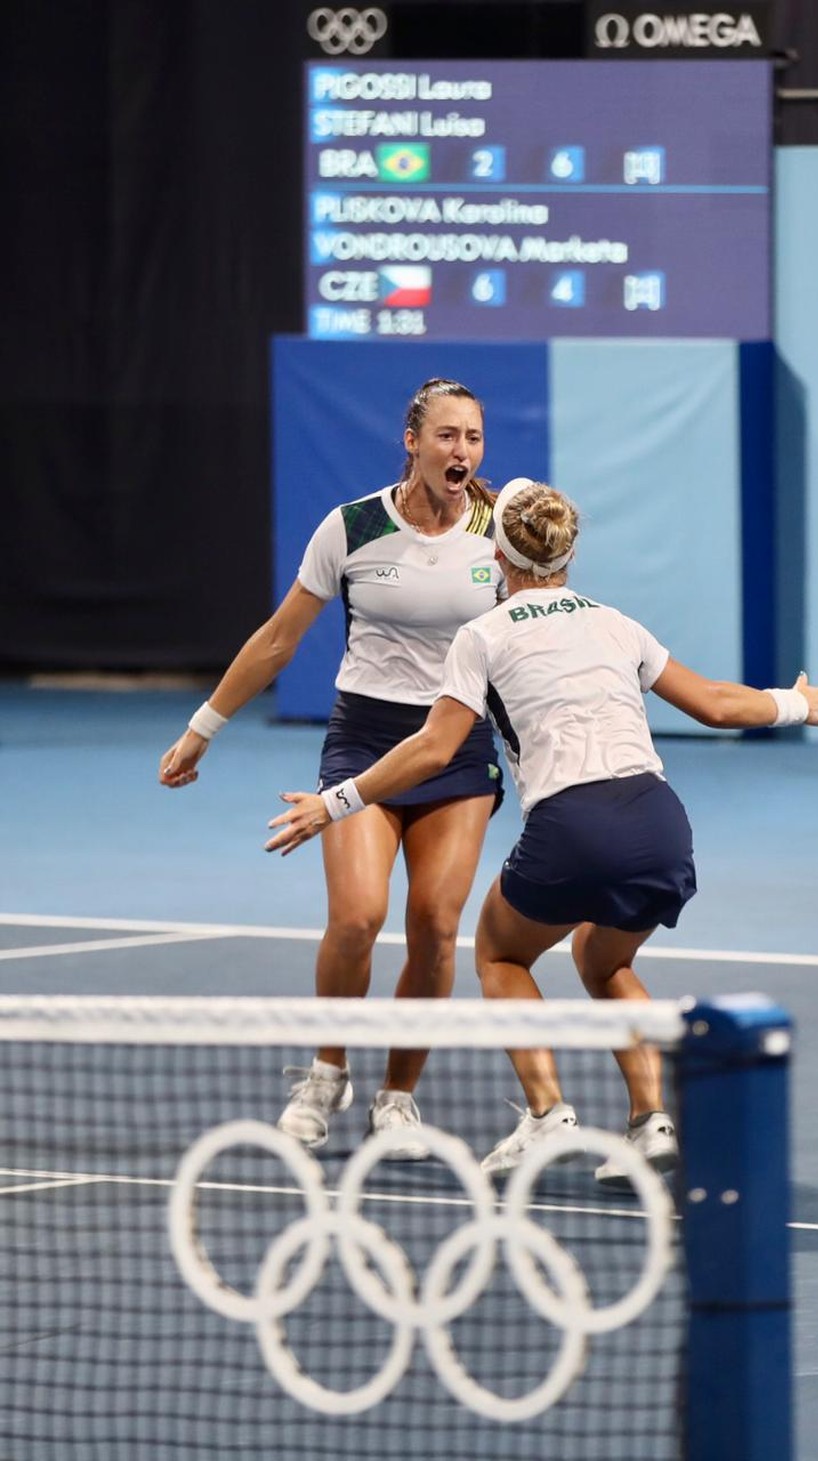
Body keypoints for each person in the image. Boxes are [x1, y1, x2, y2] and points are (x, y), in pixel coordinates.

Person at [265, 478, 818, 1183]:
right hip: (660, 825)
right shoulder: (616, 622)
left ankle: (548, 1113)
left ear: (497, 554)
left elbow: (431, 750)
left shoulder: (480, 636)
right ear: (568, 553)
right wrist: (798, 701)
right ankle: (650, 1121)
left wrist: (335, 802)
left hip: (571, 827)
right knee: (605, 962)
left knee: (497, 952)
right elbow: (715, 704)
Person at [160, 378, 505, 1159]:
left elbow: (528, 639)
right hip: (364, 739)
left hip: (455, 746)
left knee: (435, 925)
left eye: (474, 438)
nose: (462, 452)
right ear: (411, 442)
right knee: (355, 916)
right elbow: (279, 639)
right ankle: (326, 1070)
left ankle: (399, 1097)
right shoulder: (349, 527)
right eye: (447, 436)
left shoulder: (497, 532)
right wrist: (201, 728)